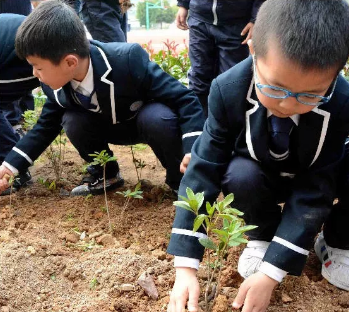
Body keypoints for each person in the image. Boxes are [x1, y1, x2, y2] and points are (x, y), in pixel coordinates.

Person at [166, 0, 349, 311]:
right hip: (259, 175)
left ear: (335, 74)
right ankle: (261, 235)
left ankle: (336, 241)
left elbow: (316, 187)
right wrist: (185, 268)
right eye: (276, 89)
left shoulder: (341, 101)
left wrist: (271, 272)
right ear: (252, 50)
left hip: (313, 174)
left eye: (309, 95)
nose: (289, 105)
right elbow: (204, 169)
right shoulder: (228, 89)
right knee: (239, 173)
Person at [0, 0, 205, 198]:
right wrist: (9, 167)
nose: (35, 74)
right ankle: (106, 174)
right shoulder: (55, 84)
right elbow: (44, 128)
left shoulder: (126, 60)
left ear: (69, 62)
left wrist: (192, 148)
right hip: (105, 126)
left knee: (157, 118)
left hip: (144, 122)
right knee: (71, 119)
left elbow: (184, 98)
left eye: (38, 67)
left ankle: (181, 180)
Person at [176, 0, 265, 115]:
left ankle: (227, 128)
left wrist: (256, 17)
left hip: (236, 23)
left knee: (231, 82)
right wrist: (183, 4)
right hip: (200, 18)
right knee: (198, 77)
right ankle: (198, 126)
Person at [0, 13, 40, 196]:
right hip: (18, 41)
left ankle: (13, 168)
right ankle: (13, 162)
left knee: (59, 108)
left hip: (23, 50)